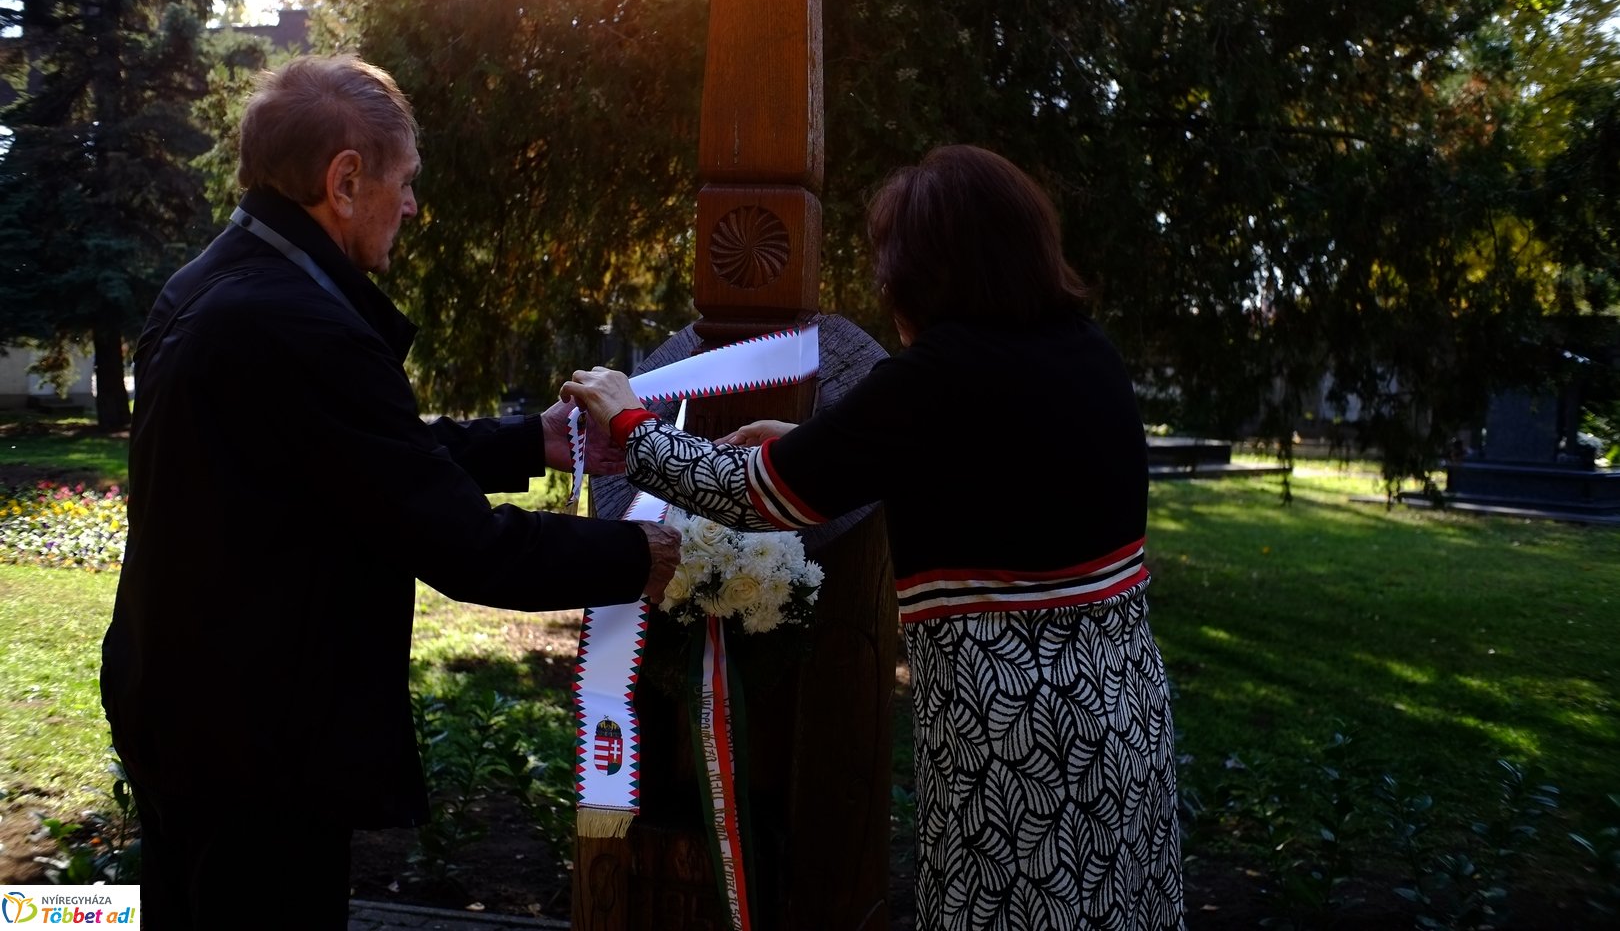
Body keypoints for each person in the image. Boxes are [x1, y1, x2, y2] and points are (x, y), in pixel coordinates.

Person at [100, 53, 679, 930]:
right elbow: (465, 545)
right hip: (259, 741)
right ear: (344, 180)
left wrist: (534, 439)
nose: (411, 205)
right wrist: (649, 554)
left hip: (183, 704)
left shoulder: (215, 282)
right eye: (404, 183)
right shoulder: (298, 321)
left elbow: (352, 456)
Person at [562, 144, 1184, 930]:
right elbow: (981, 472)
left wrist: (629, 420)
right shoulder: (1086, 354)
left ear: (924, 271)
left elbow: (753, 495)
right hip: (1124, 711)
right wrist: (808, 440)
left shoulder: (935, 377)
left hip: (1017, 744)